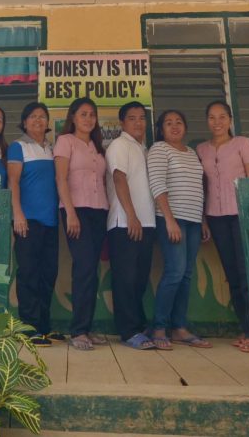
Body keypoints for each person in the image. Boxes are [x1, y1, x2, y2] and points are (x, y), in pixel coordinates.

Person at [196, 100, 249, 354]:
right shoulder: (201, 149)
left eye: (222, 117)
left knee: (247, 275)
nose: (217, 122)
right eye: (212, 117)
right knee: (232, 274)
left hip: (241, 214)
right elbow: (201, 186)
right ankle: (245, 329)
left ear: (230, 120)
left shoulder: (243, 144)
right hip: (216, 217)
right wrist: (202, 219)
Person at [147, 109, 211, 350]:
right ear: (160, 130)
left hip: (193, 220)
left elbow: (198, 187)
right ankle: (159, 327)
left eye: (179, 122)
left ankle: (180, 327)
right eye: (168, 123)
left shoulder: (191, 152)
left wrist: (203, 219)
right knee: (174, 272)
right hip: (171, 220)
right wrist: (170, 219)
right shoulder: (159, 149)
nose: (174, 126)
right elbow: (157, 184)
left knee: (186, 274)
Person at [54, 97, 108, 351]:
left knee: (92, 269)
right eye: (83, 114)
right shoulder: (66, 142)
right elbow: (61, 179)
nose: (88, 119)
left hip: (100, 212)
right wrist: (71, 213)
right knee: (84, 267)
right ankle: (77, 331)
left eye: (92, 114)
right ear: (73, 117)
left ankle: (86, 327)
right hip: (77, 211)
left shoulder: (98, 147)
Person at [105, 101, 157, 350]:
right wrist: (131, 216)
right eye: (132, 118)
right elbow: (118, 177)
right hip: (125, 223)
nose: (138, 122)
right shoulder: (119, 145)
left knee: (139, 279)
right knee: (125, 279)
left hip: (147, 222)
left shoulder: (144, 148)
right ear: (123, 123)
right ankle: (128, 331)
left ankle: (139, 325)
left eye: (142, 118)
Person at [8, 102, 60, 347]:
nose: (38, 120)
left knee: (48, 274)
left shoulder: (51, 148)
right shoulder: (19, 147)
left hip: (50, 222)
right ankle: (28, 328)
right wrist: (18, 214)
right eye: (33, 117)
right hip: (27, 221)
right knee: (28, 274)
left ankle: (44, 327)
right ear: (25, 122)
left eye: (42, 116)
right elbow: (13, 183)